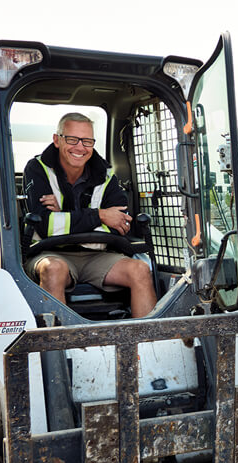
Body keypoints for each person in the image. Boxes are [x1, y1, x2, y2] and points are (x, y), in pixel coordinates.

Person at [23, 112, 157, 317]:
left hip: (98, 256)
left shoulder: (107, 175)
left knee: (140, 269)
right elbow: (45, 227)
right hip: (50, 253)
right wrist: (101, 215)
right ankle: (61, 347)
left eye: (87, 141)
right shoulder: (37, 169)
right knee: (53, 269)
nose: (80, 147)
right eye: (72, 139)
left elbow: (119, 226)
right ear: (57, 140)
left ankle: (150, 346)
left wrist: (64, 216)